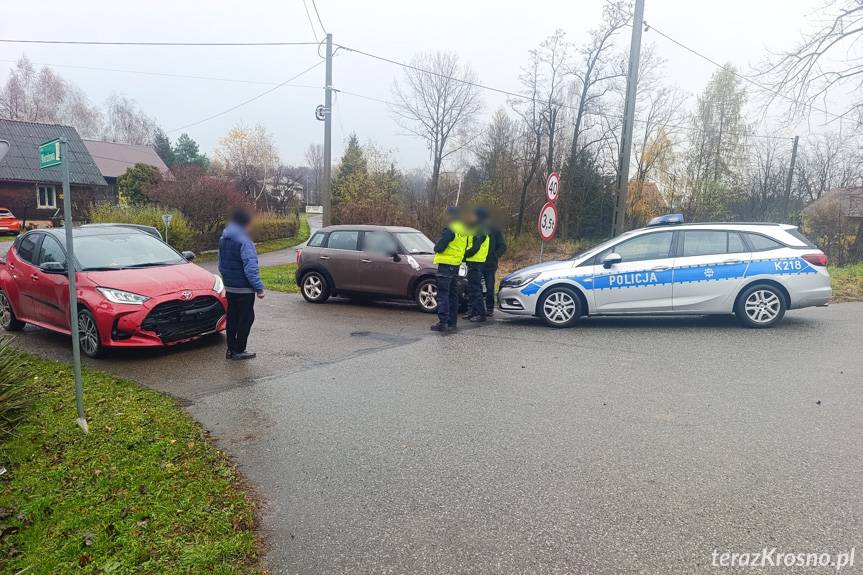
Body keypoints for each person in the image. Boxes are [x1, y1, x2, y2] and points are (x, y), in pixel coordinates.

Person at [218, 209, 265, 360]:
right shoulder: (245, 241)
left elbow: (220, 263)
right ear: (246, 223)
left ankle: (231, 349)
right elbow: (250, 268)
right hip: (244, 289)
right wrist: (259, 288)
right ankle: (239, 350)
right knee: (246, 318)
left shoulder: (223, 239)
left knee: (232, 318)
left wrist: (227, 280)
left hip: (230, 286)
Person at [431, 207, 468, 333]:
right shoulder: (463, 230)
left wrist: (436, 247)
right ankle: (452, 322)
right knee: (453, 295)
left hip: (446, 265)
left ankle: (443, 322)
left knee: (443, 295)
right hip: (456, 265)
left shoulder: (450, 229)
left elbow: (440, 247)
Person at [463, 207, 491, 322]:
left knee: (476, 289)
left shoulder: (480, 229)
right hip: (474, 262)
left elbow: (475, 247)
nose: (472, 216)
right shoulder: (478, 228)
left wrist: (463, 256)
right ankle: (473, 312)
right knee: (472, 289)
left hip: (476, 262)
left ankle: (481, 314)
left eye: (474, 215)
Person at [483, 211, 507, 316]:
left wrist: (494, 255)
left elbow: (502, 246)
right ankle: (474, 308)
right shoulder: (474, 228)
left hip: (490, 264)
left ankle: (489, 308)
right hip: (476, 263)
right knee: (475, 287)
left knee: (489, 287)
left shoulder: (495, 230)